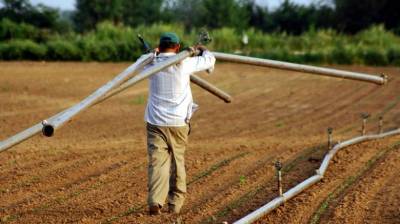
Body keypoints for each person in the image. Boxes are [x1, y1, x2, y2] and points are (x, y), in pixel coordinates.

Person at [142, 32, 215, 215]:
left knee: (157, 163)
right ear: (177, 47)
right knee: (177, 162)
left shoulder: (150, 63)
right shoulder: (185, 63)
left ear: (159, 46)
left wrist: (154, 55)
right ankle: (174, 206)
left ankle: (155, 201)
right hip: (178, 123)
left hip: (155, 122)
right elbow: (210, 60)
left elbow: (140, 63)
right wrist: (201, 49)